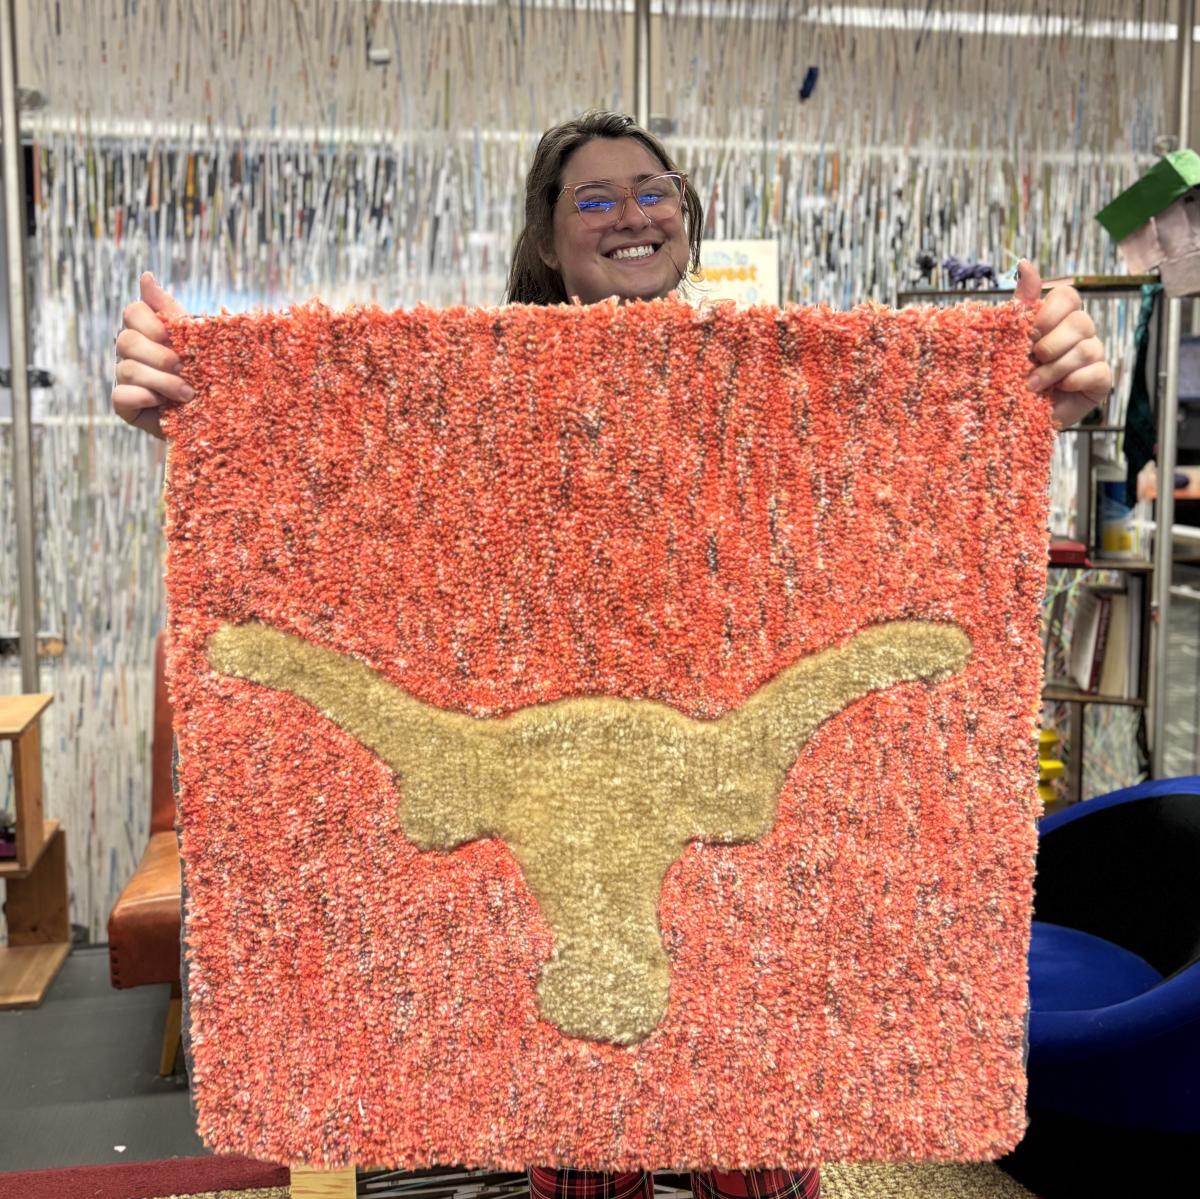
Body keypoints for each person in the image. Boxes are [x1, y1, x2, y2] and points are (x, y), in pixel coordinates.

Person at [110, 110, 1113, 1199]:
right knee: (590, 1131)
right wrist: (198, 406)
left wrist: (1025, 395)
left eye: (655, 189)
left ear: (688, 211)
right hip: (590, 794)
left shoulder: (776, 392)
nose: (633, 214)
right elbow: (354, 524)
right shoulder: (468, 404)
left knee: (759, 1126)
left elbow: (866, 537)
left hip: (729, 895)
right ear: (547, 237)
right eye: (595, 198)